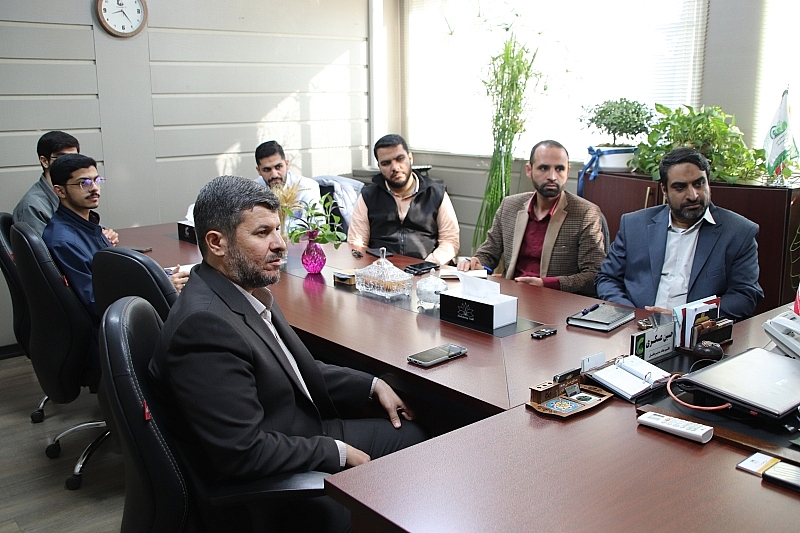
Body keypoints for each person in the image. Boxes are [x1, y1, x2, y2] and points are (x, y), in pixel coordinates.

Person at [149, 176, 426, 532]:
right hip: (277, 468)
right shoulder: (203, 326)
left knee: (413, 436)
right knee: (414, 450)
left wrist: (372, 385)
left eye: (277, 229)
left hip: (295, 429)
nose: (280, 244)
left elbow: (294, 369)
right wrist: (336, 452)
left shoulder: (245, 290)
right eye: (262, 233)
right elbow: (242, 452)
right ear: (217, 243)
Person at [42, 154, 188, 370]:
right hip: (110, 332)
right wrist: (160, 288)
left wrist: (161, 278)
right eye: (83, 183)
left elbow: (109, 279)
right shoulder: (64, 241)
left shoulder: (85, 225)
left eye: (96, 180)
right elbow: (96, 302)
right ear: (60, 191)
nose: (94, 188)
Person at [596, 147, 764, 321]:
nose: (693, 195)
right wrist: (632, 315)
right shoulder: (634, 225)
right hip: (634, 326)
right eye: (680, 187)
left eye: (699, 184)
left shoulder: (738, 232)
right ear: (664, 190)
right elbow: (607, 278)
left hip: (696, 331)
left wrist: (685, 317)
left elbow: (745, 296)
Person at [458, 140, 607, 296]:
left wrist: (547, 284)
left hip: (555, 301)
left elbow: (594, 274)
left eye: (559, 169)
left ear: (567, 171)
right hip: (509, 296)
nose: (552, 176)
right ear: (529, 170)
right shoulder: (510, 205)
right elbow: (488, 253)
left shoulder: (585, 213)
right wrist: (476, 263)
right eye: (544, 168)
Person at [348, 134, 460, 264]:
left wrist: (428, 265)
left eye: (400, 159)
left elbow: (450, 241)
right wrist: (372, 267)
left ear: (410, 158)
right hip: (380, 269)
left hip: (427, 270)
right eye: (386, 163)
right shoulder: (368, 196)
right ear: (379, 166)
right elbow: (356, 243)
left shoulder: (436, 193)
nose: (395, 168)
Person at [253, 140, 321, 228]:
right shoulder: (253, 190)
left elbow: (315, 223)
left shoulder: (307, 186)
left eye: (278, 167)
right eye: (267, 170)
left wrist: (270, 229)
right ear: (258, 170)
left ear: (287, 164)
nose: (274, 175)